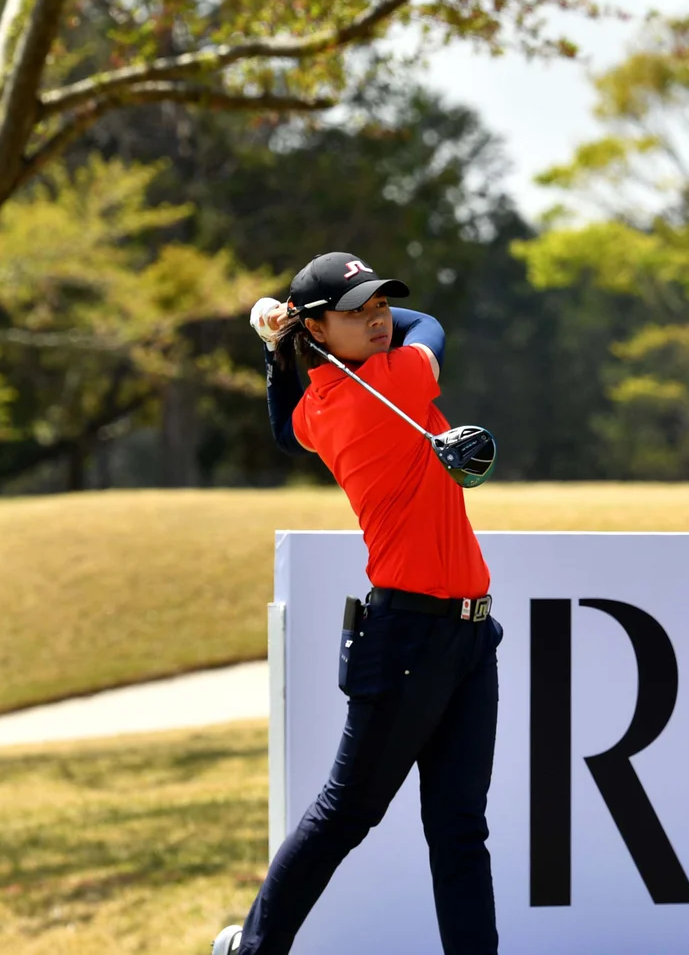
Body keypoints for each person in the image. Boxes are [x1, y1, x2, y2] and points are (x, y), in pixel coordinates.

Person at [214, 252, 501, 955]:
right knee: (345, 815)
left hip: (468, 634)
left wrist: (281, 346)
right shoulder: (393, 381)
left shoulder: (321, 406)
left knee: (461, 829)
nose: (380, 318)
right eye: (360, 310)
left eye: (381, 305)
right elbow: (427, 323)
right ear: (319, 329)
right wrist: (292, 335)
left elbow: (286, 431)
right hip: (408, 637)